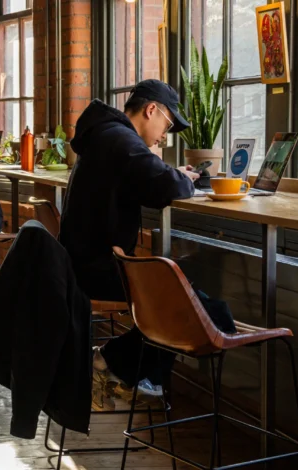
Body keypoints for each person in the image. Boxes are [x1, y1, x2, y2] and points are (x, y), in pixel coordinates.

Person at [58, 79, 200, 410]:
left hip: (85, 262)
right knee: (195, 305)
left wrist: (172, 174)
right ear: (152, 110)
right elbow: (166, 186)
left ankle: (133, 374)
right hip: (97, 269)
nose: (165, 135)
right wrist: (186, 178)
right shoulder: (120, 138)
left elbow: (145, 180)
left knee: (192, 301)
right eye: (168, 124)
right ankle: (119, 367)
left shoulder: (106, 136)